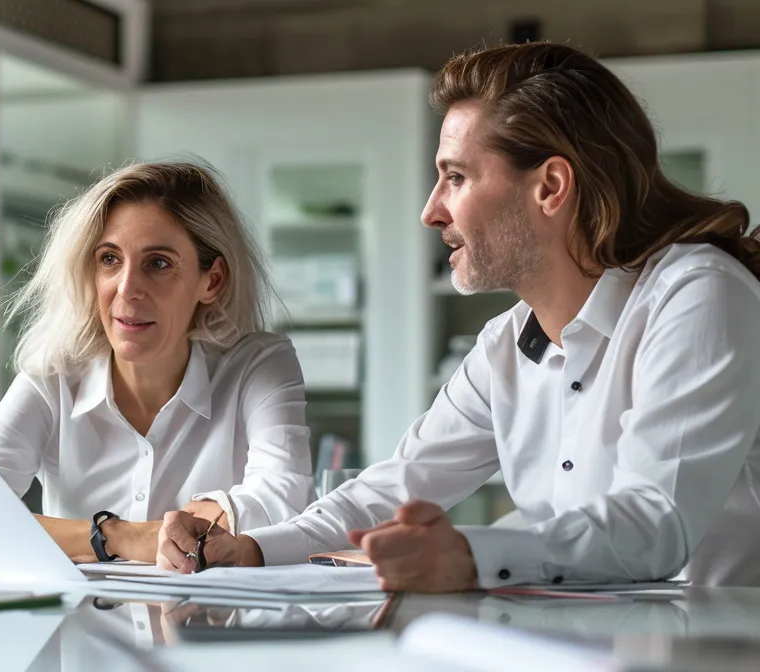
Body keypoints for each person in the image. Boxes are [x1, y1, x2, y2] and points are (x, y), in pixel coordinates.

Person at [178, 42, 760, 591]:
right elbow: (390, 488)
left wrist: (469, 555)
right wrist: (251, 548)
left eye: (455, 177)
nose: (431, 211)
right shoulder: (504, 345)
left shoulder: (697, 295)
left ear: (551, 186)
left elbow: (653, 522)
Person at [0, 161, 314, 566]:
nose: (127, 289)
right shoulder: (52, 378)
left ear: (211, 281)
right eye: (109, 259)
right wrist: (117, 536)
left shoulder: (258, 366)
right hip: (81, 628)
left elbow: (284, 504)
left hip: (210, 626)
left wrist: (138, 536)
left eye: (158, 263)